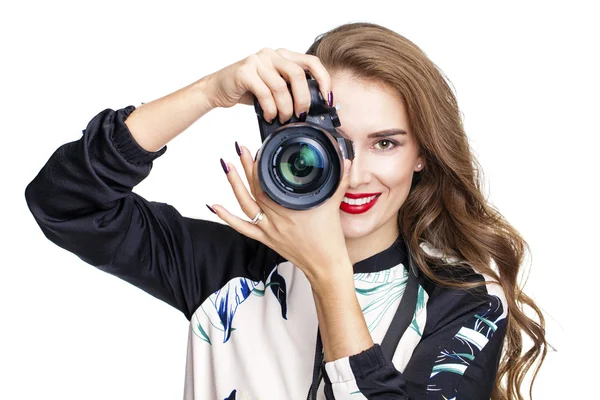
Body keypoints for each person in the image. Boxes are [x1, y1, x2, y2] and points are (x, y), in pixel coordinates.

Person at [25, 22, 547, 399]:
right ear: (294, 143)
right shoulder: (230, 275)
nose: (356, 173)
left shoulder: (464, 302)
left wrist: (329, 276)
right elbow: (65, 201)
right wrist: (209, 92)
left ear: (421, 156)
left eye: (385, 144)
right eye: (333, 142)